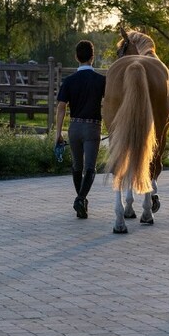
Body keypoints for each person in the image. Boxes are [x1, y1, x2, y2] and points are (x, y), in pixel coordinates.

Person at [54, 40, 106, 219]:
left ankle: (81, 202)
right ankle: (80, 199)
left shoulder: (69, 81)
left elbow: (61, 107)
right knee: (90, 168)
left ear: (76, 57)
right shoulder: (101, 80)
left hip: (74, 127)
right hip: (92, 127)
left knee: (77, 166)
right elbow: (109, 105)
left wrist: (58, 133)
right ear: (93, 57)